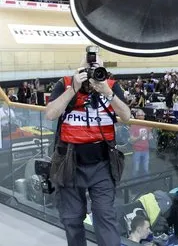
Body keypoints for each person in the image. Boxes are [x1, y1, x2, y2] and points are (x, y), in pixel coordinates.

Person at [44, 56, 131, 246]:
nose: (92, 75)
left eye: (97, 70)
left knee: (105, 216)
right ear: (79, 70)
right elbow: (50, 114)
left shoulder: (111, 86)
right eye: (87, 69)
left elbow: (126, 116)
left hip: (103, 164)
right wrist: (73, 89)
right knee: (72, 219)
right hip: (69, 163)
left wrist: (107, 92)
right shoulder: (65, 83)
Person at [129, 109, 152, 178]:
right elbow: (131, 139)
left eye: (142, 115)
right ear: (136, 116)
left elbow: (150, 137)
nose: (141, 117)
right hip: (137, 150)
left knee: (146, 168)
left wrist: (150, 133)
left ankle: (146, 182)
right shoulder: (133, 125)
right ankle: (134, 181)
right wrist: (139, 137)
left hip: (146, 149)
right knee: (136, 168)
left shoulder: (146, 124)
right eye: (139, 115)